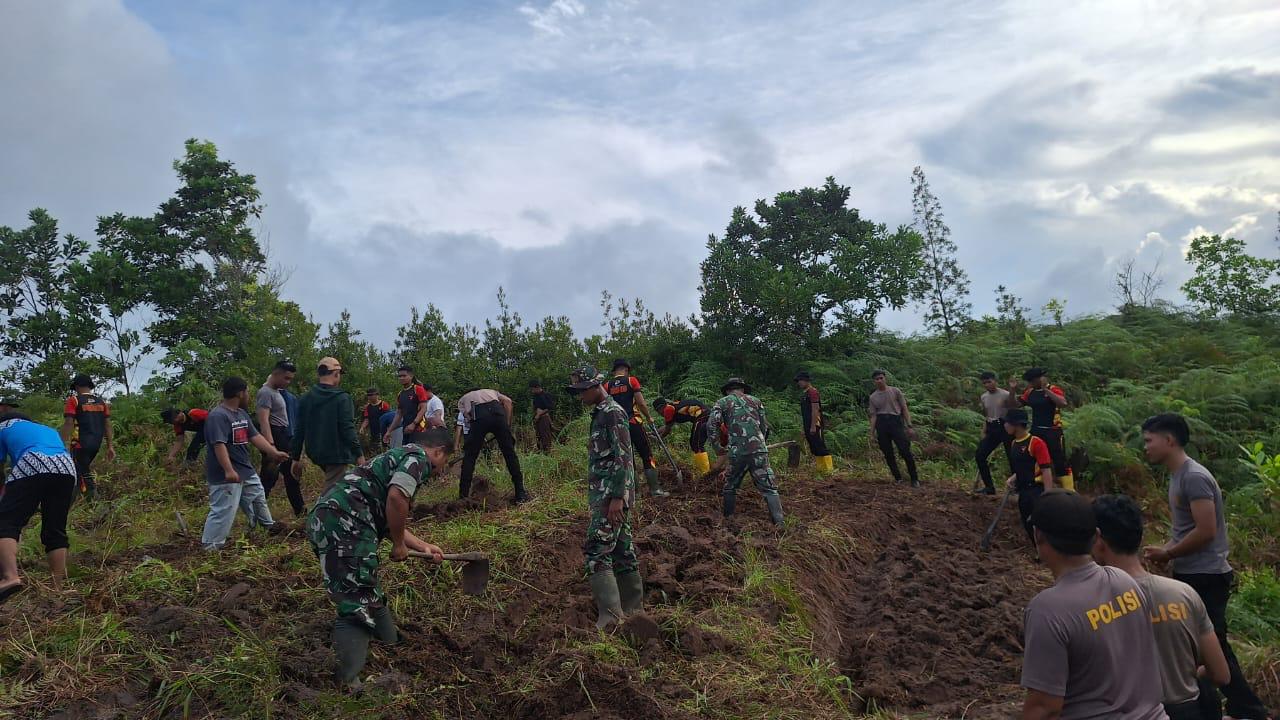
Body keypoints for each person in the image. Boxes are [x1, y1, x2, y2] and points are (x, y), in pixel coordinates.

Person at [1140, 413, 1272, 720]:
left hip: (1207, 574)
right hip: (1193, 571)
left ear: (1169, 440)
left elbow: (1206, 530)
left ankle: (1250, 710)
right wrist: (1167, 549)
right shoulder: (1178, 475)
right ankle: (1214, 708)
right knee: (1199, 648)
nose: (1145, 446)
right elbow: (1187, 529)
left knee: (1213, 647)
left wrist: (1169, 554)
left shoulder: (1194, 477)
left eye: (1149, 440)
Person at [306, 431, 450, 689]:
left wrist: (423, 547)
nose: (439, 471)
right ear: (438, 451)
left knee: (366, 586)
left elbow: (388, 513)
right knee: (356, 596)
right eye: (443, 463)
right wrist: (397, 545)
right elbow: (397, 498)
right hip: (345, 522)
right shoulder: (418, 458)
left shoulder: (398, 456)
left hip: (333, 518)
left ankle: (391, 644)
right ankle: (347, 682)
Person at [1019, 489, 1167, 720]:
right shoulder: (1124, 582)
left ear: (1038, 536)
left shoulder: (1047, 610)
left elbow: (1045, 708)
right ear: (1096, 536)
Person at [1092, 494, 1230, 720]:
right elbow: (1221, 675)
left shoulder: (1091, 605)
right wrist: (1187, 671)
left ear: (1098, 539)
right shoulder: (1183, 594)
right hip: (1187, 711)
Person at [567, 364, 644, 629]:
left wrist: (616, 499)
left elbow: (624, 457)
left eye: (582, 391)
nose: (580, 397)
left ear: (593, 387)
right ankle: (634, 614)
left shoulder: (612, 413)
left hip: (610, 496)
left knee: (597, 550)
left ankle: (610, 618)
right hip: (608, 494)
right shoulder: (601, 413)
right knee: (622, 550)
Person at [0, 407, 79, 602]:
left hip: (33, 461)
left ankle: (10, 577)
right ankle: (57, 588)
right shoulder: (46, 429)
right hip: (67, 467)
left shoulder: (2, 427)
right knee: (55, 528)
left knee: (6, 522)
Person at [202, 377, 288, 551]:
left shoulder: (241, 414)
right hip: (226, 475)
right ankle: (210, 547)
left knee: (258, 497)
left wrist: (274, 452)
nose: (249, 395)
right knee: (224, 509)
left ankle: (268, 527)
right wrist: (228, 470)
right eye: (247, 392)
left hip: (245, 470)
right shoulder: (218, 416)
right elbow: (219, 445)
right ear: (240, 393)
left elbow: (254, 436)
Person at [707, 378, 784, 527]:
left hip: (737, 452)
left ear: (728, 390)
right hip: (759, 450)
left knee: (730, 486)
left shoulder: (722, 402)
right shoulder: (756, 401)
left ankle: (728, 520)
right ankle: (779, 523)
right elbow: (764, 427)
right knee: (769, 488)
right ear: (743, 389)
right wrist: (760, 443)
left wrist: (717, 447)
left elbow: (711, 425)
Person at [292, 357, 364, 492]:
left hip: (316, 453)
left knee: (340, 487)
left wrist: (295, 457)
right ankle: (322, 512)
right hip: (337, 454)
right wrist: (359, 454)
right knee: (332, 492)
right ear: (336, 374)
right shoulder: (342, 398)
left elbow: (299, 429)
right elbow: (347, 428)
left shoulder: (306, 398)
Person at [605, 358, 667, 497]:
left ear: (614, 371)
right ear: (626, 370)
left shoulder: (607, 386)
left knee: (627, 458)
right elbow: (641, 402)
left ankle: (635, 493)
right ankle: (655, 489)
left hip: (618, 427)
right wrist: (649, 417)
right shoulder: (631, 381)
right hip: (634, 423)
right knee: (647, 455)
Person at [454, 388, 528, 504]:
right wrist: (507, 424)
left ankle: (463, 497)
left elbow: (468, 418)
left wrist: (477, 438)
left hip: (478, 415)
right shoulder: (491, 392)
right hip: (497, 413)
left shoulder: (463, 399)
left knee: (470, 457)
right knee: (509, 453)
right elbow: (508, 401)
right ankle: (520, 493)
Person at [1012, 368, 1073, 490]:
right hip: (1036, 429)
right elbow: (1016, 404)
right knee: (1032, 458)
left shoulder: (1053, 389)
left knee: (1059, 460)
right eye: (1030, 382)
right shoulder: (1030, 392)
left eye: (1033, 381)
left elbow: (1063, 403)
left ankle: (1069, 489)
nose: (1031, 384)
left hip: (1053, 430)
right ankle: (1035, 485)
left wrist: (1046, 390)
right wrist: (1012, 390)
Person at [1003, 409, 1056, 548]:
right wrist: (1012, 478)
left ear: (1017, 424)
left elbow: (1046, 469)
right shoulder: (1014, 443)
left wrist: (1048, 495)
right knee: (1027, 523)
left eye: (1007, 423)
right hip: (1024, 490)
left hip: (1036, 490)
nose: (1005, 426)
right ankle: (1039, 551)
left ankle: (1049, 552)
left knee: (1040, 524)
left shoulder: (1036, 442)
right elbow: (1023, 467)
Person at [257, 360, 303, 517]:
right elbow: (264, 420)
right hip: (275, 437)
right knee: (269, 477)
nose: (288, 382)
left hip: (283, 435)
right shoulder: (266, 392)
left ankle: (300, 510)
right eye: (286, 378)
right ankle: (258, 513)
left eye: (290, 379)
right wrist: (270, 446)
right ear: (276, 374)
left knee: (291, 475)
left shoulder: (277, 392)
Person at [61, 374, 115, 501]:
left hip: (80, 444)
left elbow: (69, 423)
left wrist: (59, 443)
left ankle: (94, 500)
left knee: (81, 471)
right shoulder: (101, 402)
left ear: (77, 386)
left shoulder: (74, 400)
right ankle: (77, 498)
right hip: (96, 444)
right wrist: (110, 446)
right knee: (79, 470)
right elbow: (107, 425)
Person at [868, 370, 920, 488]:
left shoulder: (895, 391)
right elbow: (873, 415)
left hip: (895, 421)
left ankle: (914, 478)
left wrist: (909, 425)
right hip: (882, 424)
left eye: (881, 378)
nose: (879, 381)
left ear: (885, 378)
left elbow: (904, 408)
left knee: (905, 450)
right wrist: (871, 433)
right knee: (888, 452)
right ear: (874, 382)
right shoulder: (873, 397)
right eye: (877, 379)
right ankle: (898, 478)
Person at [975, 371, 1014, 495]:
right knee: (980, 455)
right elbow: (987, 414)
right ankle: (989, 487)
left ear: (995, 381)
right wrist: (984, 430)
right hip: (992, 427)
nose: (987, 385)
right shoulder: (984, 396)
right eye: (984, 383)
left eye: (989, 382)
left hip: (1005, 426)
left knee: (1013, 458)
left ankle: (1017, 487)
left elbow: (1014, 408)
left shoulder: (1005, 394)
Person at [653, 397, 710, 476]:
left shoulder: (668, 410)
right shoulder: (672, 407)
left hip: (702, 417)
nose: (660, 414)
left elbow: (668, 429)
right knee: (694, 444)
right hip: (703, 417)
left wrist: (660, 438)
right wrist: (653, 433)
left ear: (660, 408)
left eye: (658, 411)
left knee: (696, 444)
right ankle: (702, 471)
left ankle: (705, 473)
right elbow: (667, 426)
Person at [793, 371, 833, 474]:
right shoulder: (804, 393)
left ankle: (828, 469)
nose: (799, 383)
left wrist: (813, 426)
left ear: (807, 380)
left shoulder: (813, 392)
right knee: (814, 447)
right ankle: (821, 469)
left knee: (820, 445)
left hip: (815, 423)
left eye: (801, 380)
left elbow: (815, 409)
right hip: (807, 422)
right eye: (798, 381)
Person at [384, 366, 430, 447]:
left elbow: (424, 408)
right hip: (406, 429)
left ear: (411, 376)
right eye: (399, 376)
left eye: (404, 376)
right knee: (406, 453)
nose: (401, 378)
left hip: (419, 428)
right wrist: (389, 431)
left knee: (417, 454)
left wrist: (414, 424)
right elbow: (398, 414)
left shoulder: (418, 389)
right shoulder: (400, 394)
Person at [530, 380, 556, 452]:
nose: (532, 391)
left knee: (546, 437)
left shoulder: (546, 395)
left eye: (533, 389)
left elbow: (550, 407)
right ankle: (540, 451)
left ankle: (547, 452)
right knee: (538, 436)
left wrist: (540, 414)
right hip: (537, 419)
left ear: (537, 387)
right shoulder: (535, 396)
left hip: (544, 418)